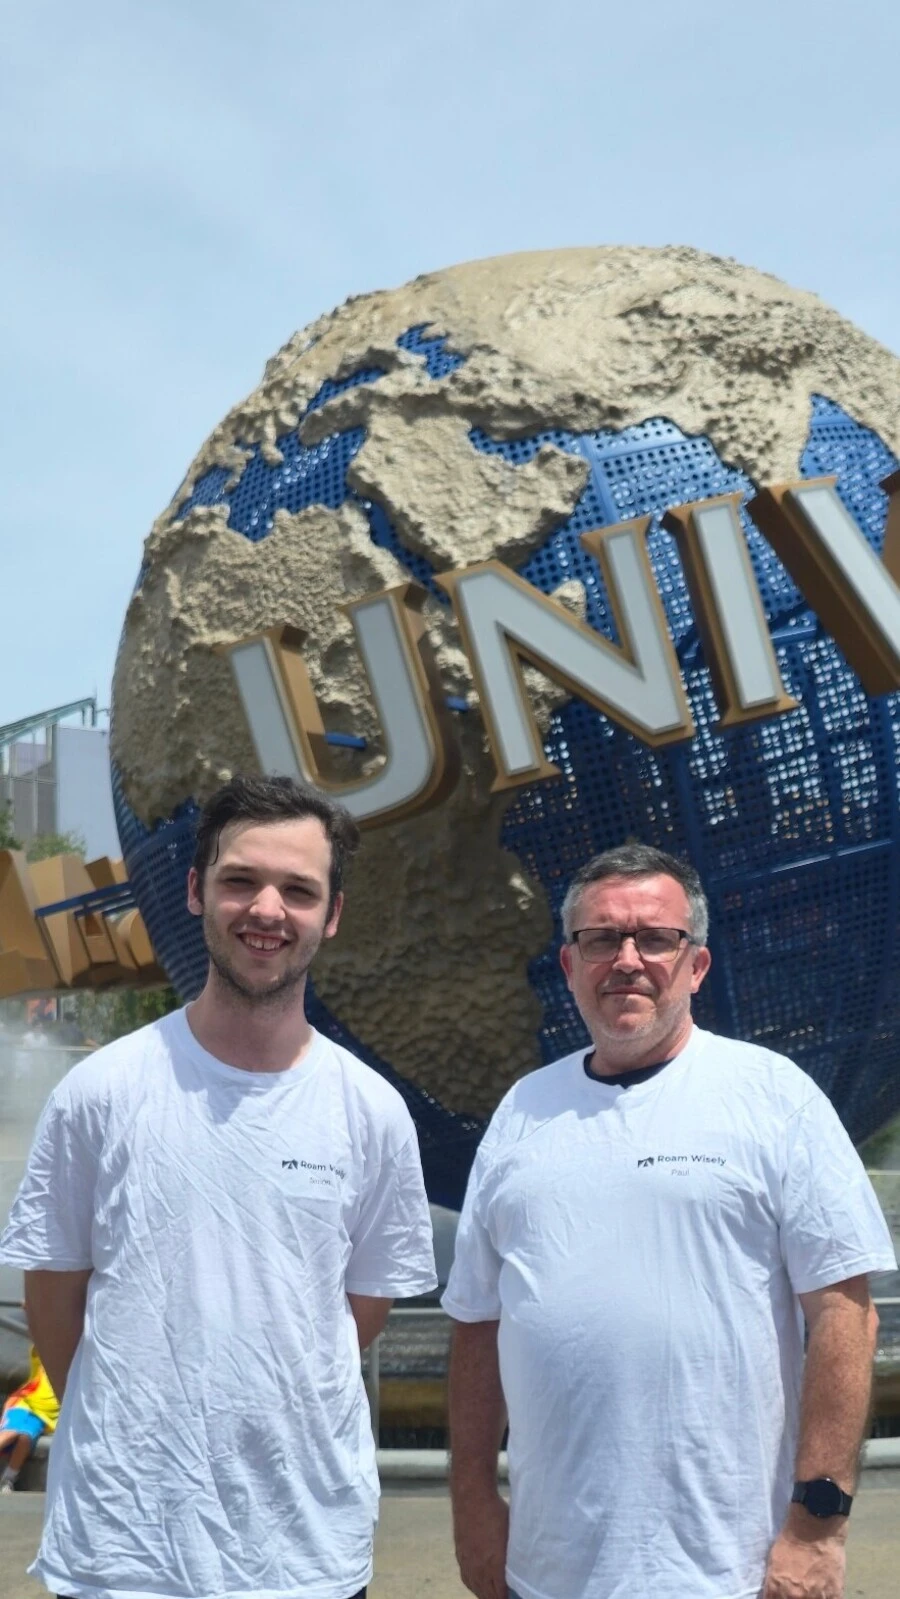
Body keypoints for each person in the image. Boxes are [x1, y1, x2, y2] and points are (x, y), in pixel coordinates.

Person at [0, 774, 436, 1599]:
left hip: (304, 1555)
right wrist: (135, 1399)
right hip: (125, 1555)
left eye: (299, 889)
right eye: (241, 880)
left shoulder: (371, 1111)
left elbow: (355, 1316)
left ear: (331, 913)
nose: (267, 909)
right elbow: (55, 1298)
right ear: (197, 890)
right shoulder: (101, 1092)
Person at [442, 842, 896, 1599]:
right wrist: (473, 1508)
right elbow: (476, 1327)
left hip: (733, 1570)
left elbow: (846, 1317)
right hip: (549, 1571)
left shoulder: (773, 1096)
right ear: (568, 964)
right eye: (601, 938)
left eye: (655, 937)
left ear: (697, 965)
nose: (627, 958)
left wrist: (818, 1525)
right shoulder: (521, 1112)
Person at [0, 1342, 59, 1491]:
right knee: (10, 1433)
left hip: (43, 1418)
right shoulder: (44, 1363)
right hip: (25, 1405)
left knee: (25, 1439)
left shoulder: (72, 1380)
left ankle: (8, 1479)